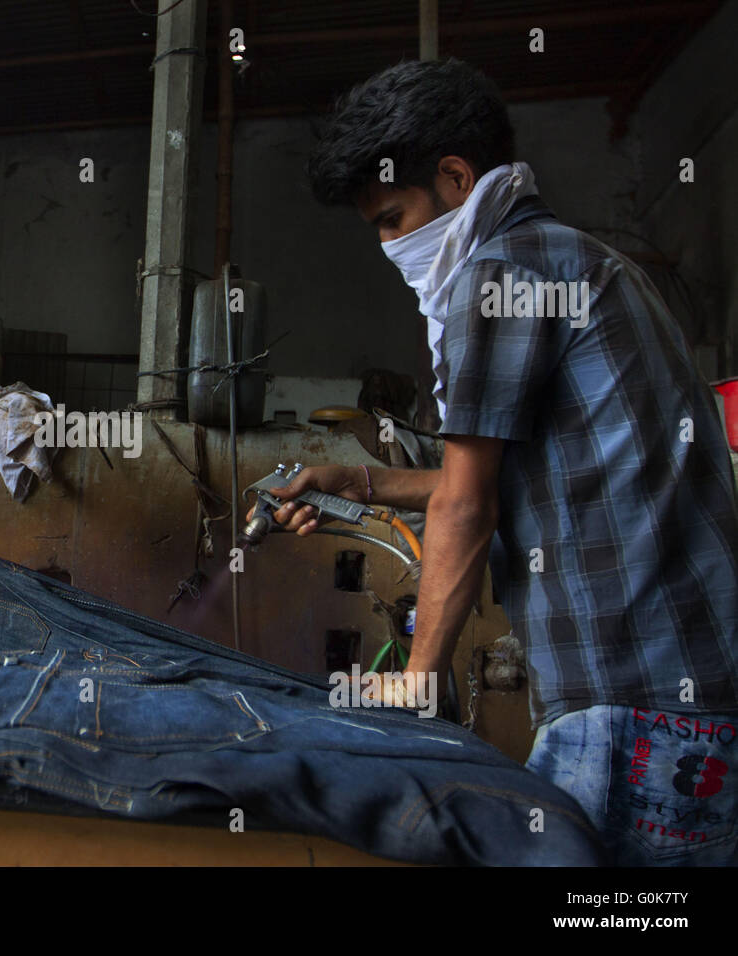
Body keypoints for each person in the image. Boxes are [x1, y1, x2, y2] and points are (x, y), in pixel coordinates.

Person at [260, 58, 738, 865]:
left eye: (391, 217)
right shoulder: (584, 260)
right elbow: (517, 475)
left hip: (630, 702)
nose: (388, 244)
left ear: (455, 178)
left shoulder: (497, 276)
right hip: (691, 695)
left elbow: (467, 506)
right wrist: (358, 483)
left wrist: (418, 677)